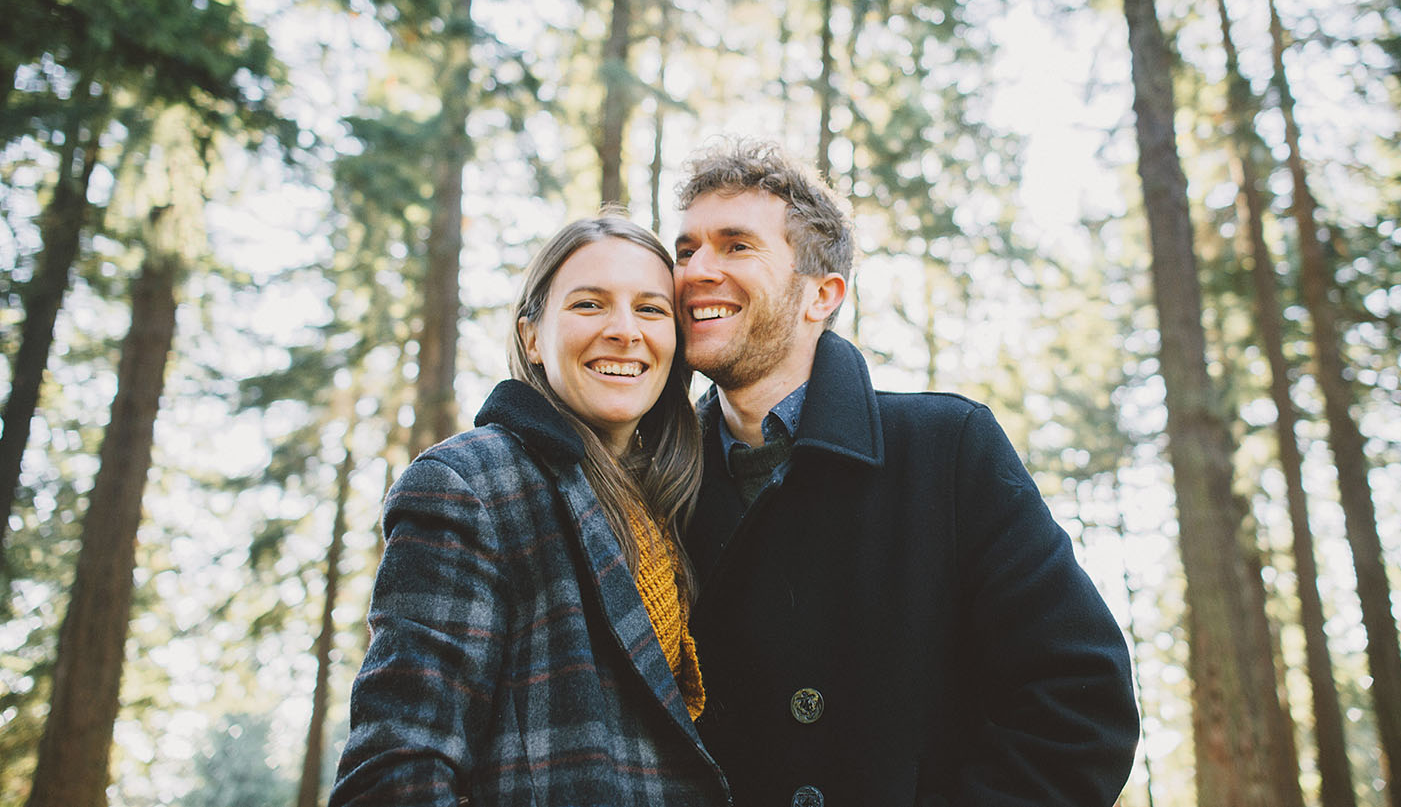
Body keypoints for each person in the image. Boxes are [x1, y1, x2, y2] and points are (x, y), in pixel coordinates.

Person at [671, 139, 1140, 807]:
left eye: (736, 245)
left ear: (821, 295)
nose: (694, 271)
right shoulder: (654, 487)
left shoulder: (948, 450)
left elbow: (1079, 705)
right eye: (686, 250)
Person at [330, 215, 731, 807]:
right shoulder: (470, 484)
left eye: (651, 310)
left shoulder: (674, 505)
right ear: (532, 338)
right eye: (590, 305)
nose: (624, 331)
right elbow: (395, 773)